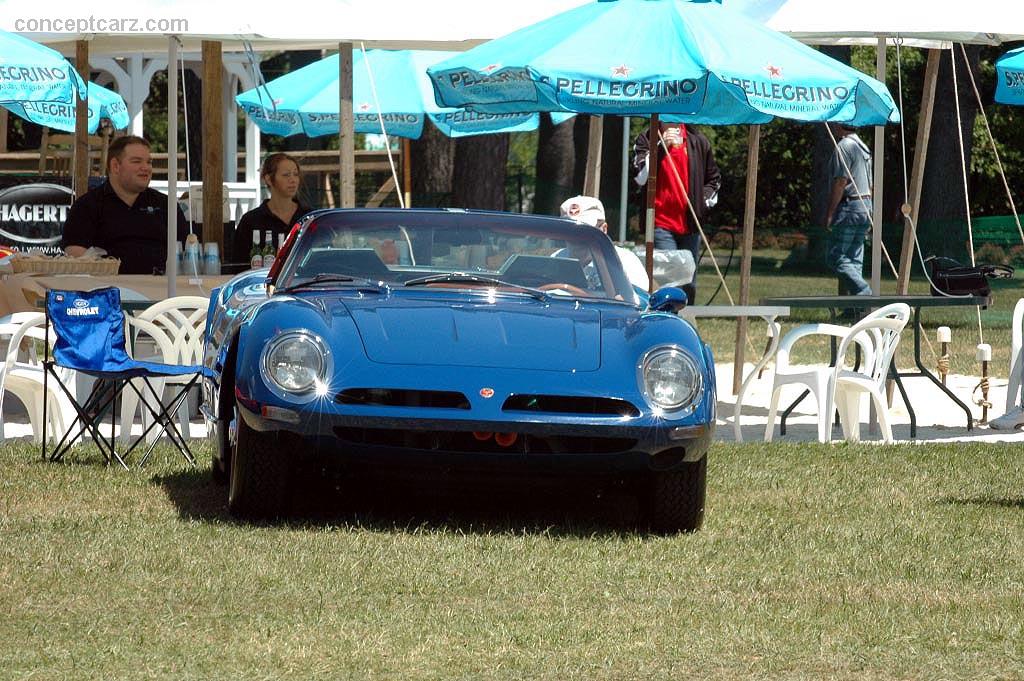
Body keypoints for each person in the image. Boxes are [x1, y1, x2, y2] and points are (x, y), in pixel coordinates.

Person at [62, 135, 188, 274]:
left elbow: (187, 252)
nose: (146, 168)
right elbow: (74, 252)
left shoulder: (166, 205)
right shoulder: (87, 205)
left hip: (163, 290)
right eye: (136, 161)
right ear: (115, 166)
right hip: (106, 290)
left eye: (149, 162)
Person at [632, 122, 721, 304]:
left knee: (689, 283)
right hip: (660, 223)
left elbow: (714, 180)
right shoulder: (647, 139)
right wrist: (659, 147)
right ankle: (667, 323)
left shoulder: (697, 140)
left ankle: (687, 325)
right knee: (669, 280)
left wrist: (701, 201)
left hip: (690, 224)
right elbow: (640, 178)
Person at [559, 195, 650, 296]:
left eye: (585, 230)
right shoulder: (557, 258)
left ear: (604, 229)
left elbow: (635, 304)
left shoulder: (624, 262)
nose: (576, 237)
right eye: (568, 230)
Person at [233, 153, 311, 265]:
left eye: (296, 174)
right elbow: (238, 265)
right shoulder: (251, 221)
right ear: (268, 179)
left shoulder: (309, 217)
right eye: (286, 175)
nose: (293, 180)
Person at [823, 122, 873, 297]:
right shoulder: (863, 146)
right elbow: (870, 183)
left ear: (839, 125)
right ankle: (854, 306)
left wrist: (830, 213)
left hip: (850, 206)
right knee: (854, 259)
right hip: (865, 205)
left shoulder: (844, 146)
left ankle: (863, 292)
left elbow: (840, 182)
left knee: (835, 255)